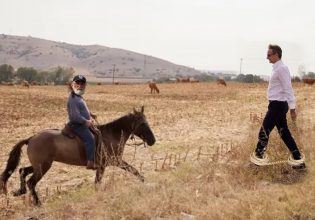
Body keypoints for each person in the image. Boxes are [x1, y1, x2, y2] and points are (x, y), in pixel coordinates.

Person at [250, 44, 305, 170]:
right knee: (284, 133)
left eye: (269, 55)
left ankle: (257, 162)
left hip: (278, 106)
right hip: (276, 105)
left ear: (276, 55)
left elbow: (288, 89)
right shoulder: (277, 68)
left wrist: (292, 109)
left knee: (264, 131)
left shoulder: (282, 69)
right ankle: (298, 161)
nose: (267, 57)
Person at [67, 75, 97, 170]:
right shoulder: (73, 98)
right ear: (73, 84)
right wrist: (85, 121)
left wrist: (91, 114)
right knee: (90, 139)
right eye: (77, 83)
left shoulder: (78, 96)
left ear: (85, 85)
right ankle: (90, 162)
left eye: (82, 83)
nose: (80, 85)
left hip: (82, 123)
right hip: (77, 125)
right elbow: (74, 116)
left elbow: (81, 109)